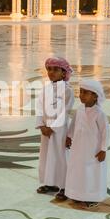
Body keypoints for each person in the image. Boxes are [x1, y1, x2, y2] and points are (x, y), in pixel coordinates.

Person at [65, 79, 109, 208]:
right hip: (78, 147)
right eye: (80, 92)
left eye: (85, 93)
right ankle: (77, 194)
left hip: (93, 150)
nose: (81, 95)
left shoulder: (99, 113)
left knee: (91, 172)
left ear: (95, 96)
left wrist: (103, 149)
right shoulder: (79, 109)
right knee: (78, 170)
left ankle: (92, 197)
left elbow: (105, 132)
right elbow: (73, 124)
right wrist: (68, 136)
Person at [35, 57, 74, 201]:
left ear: (64, 73)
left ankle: (65, 186)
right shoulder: (46, 88)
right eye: (49, 69)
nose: (51, 72)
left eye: (56, 70)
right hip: (45, 130)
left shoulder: (68, 91)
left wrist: (52, 128)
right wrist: (41, 125)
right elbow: (39, 107)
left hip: (59, 131)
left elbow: (65, 111)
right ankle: (50, 183)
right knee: (46, 156)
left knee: (60, 157)